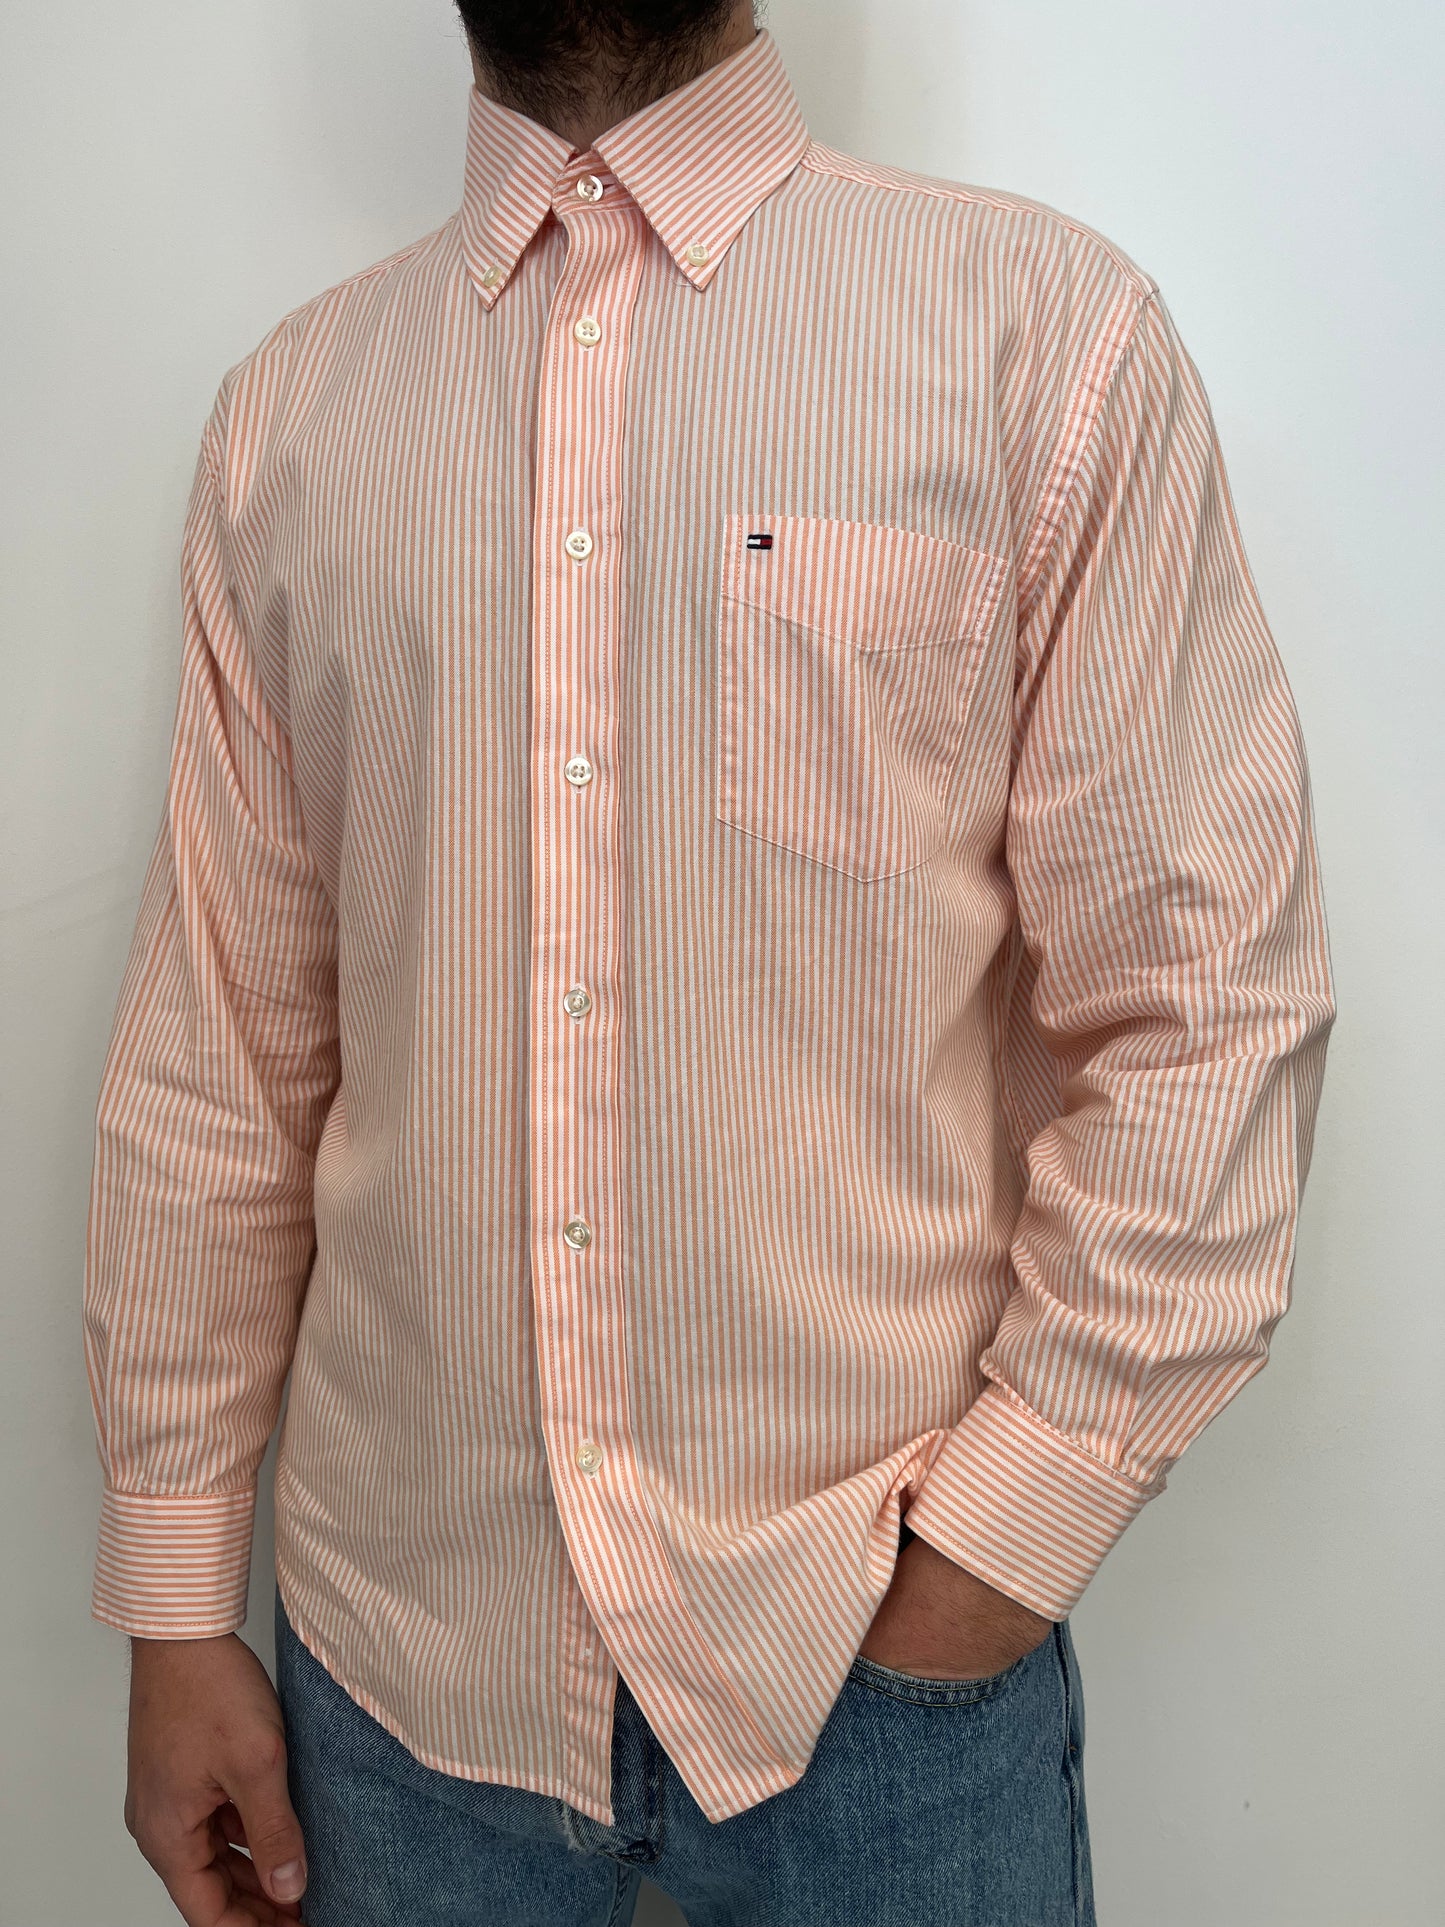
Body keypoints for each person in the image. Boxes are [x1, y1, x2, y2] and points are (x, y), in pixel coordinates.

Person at [84, 3, 1336, 1923]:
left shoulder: (1036, 339)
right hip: (398, 1682)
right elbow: (222, 1056)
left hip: (881, 1664)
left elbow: (1205, 1001)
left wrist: (996, 1552)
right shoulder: (294, 421)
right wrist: (179, 1606)